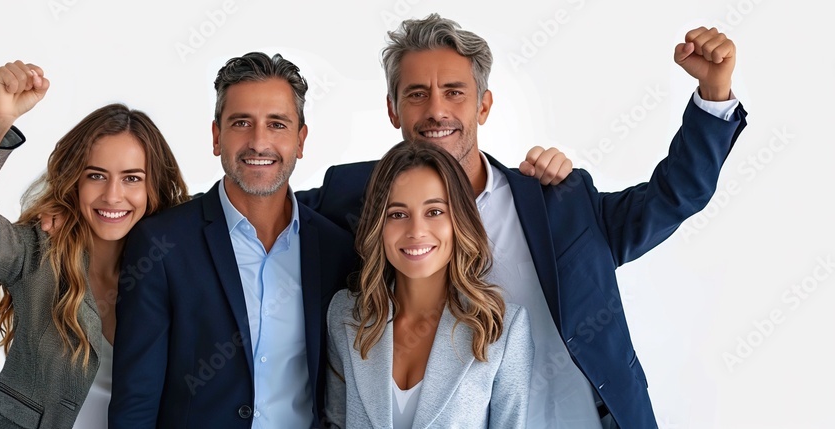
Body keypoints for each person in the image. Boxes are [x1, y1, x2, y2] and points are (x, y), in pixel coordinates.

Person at [298, 14, 748, 429]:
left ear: (484, 106)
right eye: (416, 94)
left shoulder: (558, 201)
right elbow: (268, 213)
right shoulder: (359, 198)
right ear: (393, 109)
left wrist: (713, 95)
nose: (436, 110)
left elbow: (673, 198)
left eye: (455, 91)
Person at [108, 52, 359, 428]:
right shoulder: (162, 245)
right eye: (242, 122)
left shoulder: (335, 249)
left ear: (301, 140)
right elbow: (136, 401)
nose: (259, 142)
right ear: (216, 136)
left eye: (277, 124)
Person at [0, 61, 188, 428]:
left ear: (153, 187)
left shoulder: (179, 263)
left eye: (132, 178)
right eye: (96, 176)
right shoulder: (36, 254)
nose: (113, 196)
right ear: (75, 182)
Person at [326, 141, 534, 428]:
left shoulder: (501, 329)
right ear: (379, 226)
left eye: (434, 211)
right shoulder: (344, 315)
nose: (416, 231)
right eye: (397, 214)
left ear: (459, 220)